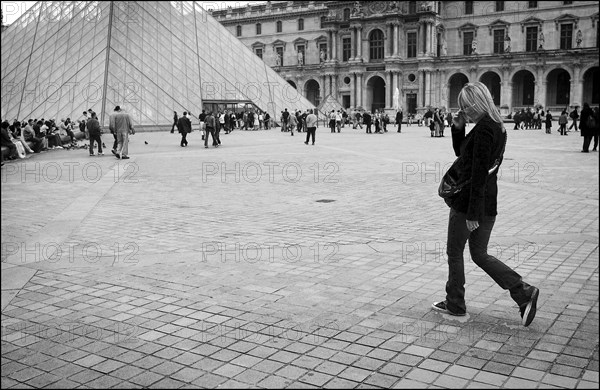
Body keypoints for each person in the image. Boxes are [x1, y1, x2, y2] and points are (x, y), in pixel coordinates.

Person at [432, 82, 539, 327]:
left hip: (468, 204)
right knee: (479, 254)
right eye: (462, 107)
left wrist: (471, 213)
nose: (464, 111)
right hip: (488, 203)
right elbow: (465, 155)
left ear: (479, 102)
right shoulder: (497, 127)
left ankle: (455, 303)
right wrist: (458, 130)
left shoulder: (483, 130)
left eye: (467, 106)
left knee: (454, 252)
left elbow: (478, 173)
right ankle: (523, 292)